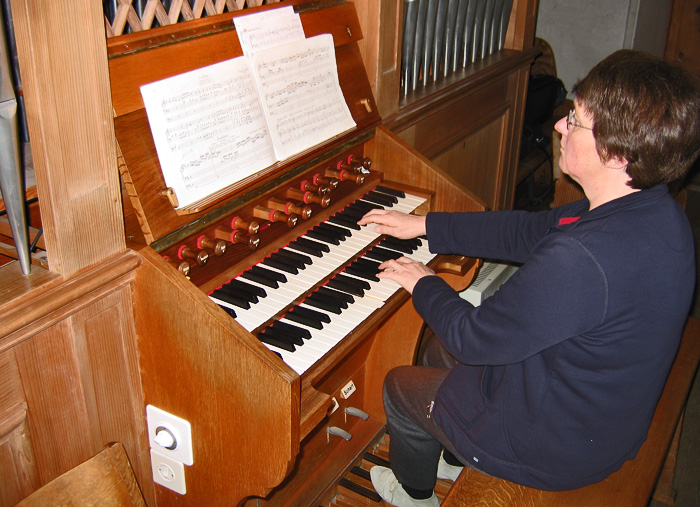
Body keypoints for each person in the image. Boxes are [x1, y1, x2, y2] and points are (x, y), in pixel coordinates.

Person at [358, 49, 700, 507]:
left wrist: (422, 280)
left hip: (553, 449)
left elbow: (473, 339)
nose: (559, 125)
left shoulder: (582, 259)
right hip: (599, 415)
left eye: (575, 120)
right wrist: (424, 226)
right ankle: (455, 451)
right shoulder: (652, 207)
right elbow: (526, 231)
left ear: (616, 152)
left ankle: (414, 495)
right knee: (436, 348)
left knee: (400, 386)